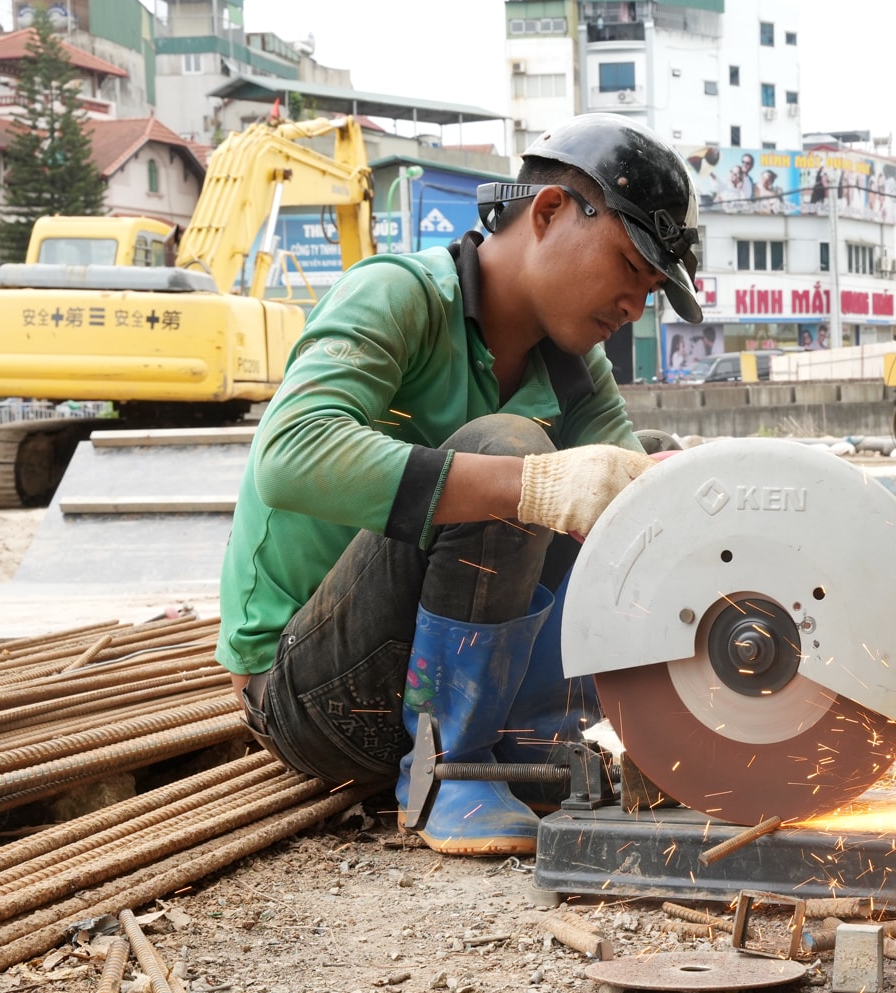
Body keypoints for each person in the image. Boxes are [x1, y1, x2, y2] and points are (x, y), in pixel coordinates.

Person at [216, 113, 702, 857]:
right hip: (318, 697)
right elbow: (289, 454)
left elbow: (636, 518)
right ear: (548, 212)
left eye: (654, 287)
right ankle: (447, 772)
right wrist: (528, 485)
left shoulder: (573, 368)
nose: (637, 305)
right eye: (631, 268)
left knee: (645, 472)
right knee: (513, 454)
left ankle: (521, 744)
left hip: (472, 693)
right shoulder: (397, 295)